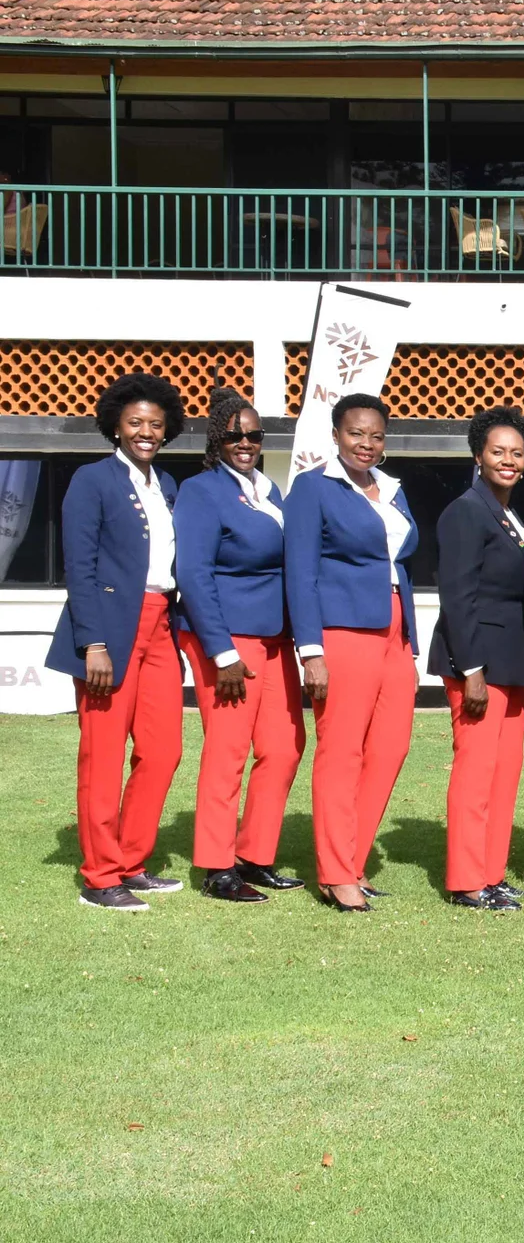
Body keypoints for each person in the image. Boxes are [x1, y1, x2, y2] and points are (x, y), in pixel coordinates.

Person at [46, 372, 188, 911]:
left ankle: (131, 861)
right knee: (103, 756)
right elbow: (78, 567)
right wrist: (93, 643)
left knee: (163, 750)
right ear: (116, 427)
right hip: (109, 629)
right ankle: (100, 876)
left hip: (160, 627)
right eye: (135, 423)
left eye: (155, 423)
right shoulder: (92, 479)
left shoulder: (168, 486)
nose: (146, 431)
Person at [284, 393, 420, 913]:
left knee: (392, 747)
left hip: (394, 630)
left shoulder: (392, 489)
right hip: (342, 631)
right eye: (356, 433)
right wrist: (311, 648)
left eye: (376, 435)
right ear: (337, 435)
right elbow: (300, 570)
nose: (366, 443)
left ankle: (354, 859)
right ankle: (336, 872)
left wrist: (405, 636)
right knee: (341, 751)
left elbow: (400, 560)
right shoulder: (312, 488)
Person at [174, 387, 305, 904]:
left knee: (284, 747)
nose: (245, 442)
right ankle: (216, 866)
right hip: (228, 639)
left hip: (274, 638)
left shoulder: (268, 491)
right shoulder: (202, 491)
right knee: (228, 751)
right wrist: (221, 650)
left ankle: (255, 854)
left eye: (254, 435)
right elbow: (193, 572)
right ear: (217, 440)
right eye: (235, 435)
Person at [427, 406, 524, 911]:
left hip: (511, 662)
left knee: (504, 772)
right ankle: (467, 881)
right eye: (498, 451)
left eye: (517, 452)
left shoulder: (508, 514)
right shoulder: (466, 511)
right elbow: (458, 595)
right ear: (478, 455)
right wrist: (471, 671)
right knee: (475, 773)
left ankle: (490, 874)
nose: (508, 460)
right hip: (477, 664)